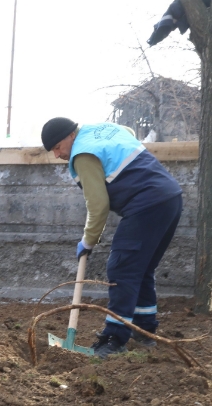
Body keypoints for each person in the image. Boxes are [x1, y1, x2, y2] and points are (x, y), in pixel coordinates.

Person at [40, 118, 183, 358]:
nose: (57, 155)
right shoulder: (104, 130)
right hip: (170, 197)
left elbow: (98, 205)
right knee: (141, 268)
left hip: (146, 203)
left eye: (57, 147)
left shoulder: (82, 154)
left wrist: (88, 241)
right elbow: (126, 132)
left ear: (69, 136)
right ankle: (144, 329)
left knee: (122, 268)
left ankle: (114, 339)